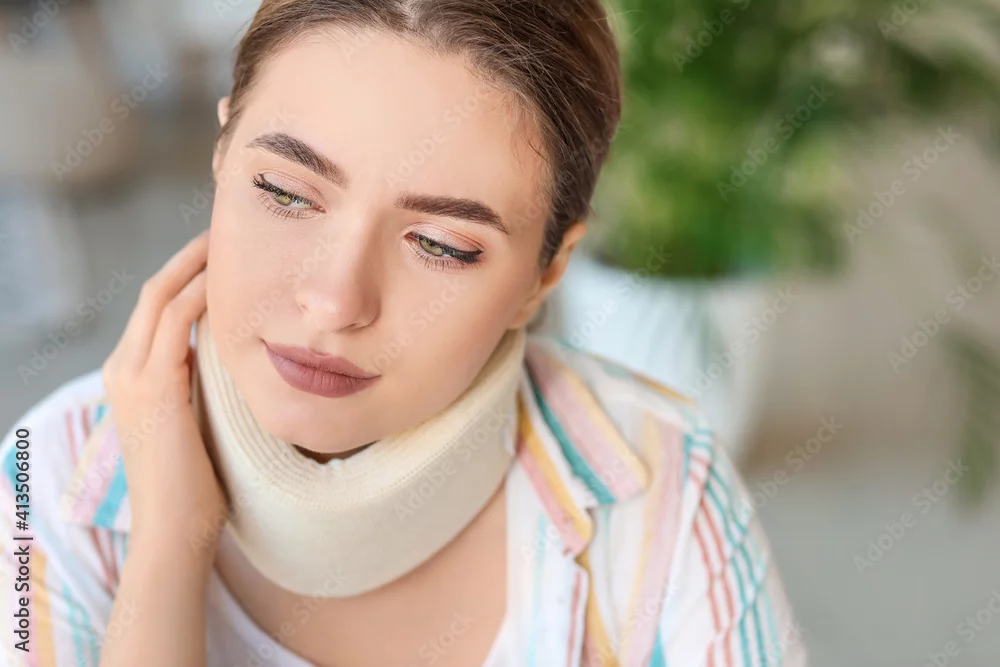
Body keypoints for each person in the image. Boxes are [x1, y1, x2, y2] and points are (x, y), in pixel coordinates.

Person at [0, 1, 808, 665]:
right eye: (285, 192)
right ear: (221, 152)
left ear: (546, 273)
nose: (334, 301)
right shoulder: (44, 476)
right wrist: (169, 548)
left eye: (442, 245)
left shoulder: (664, 484)